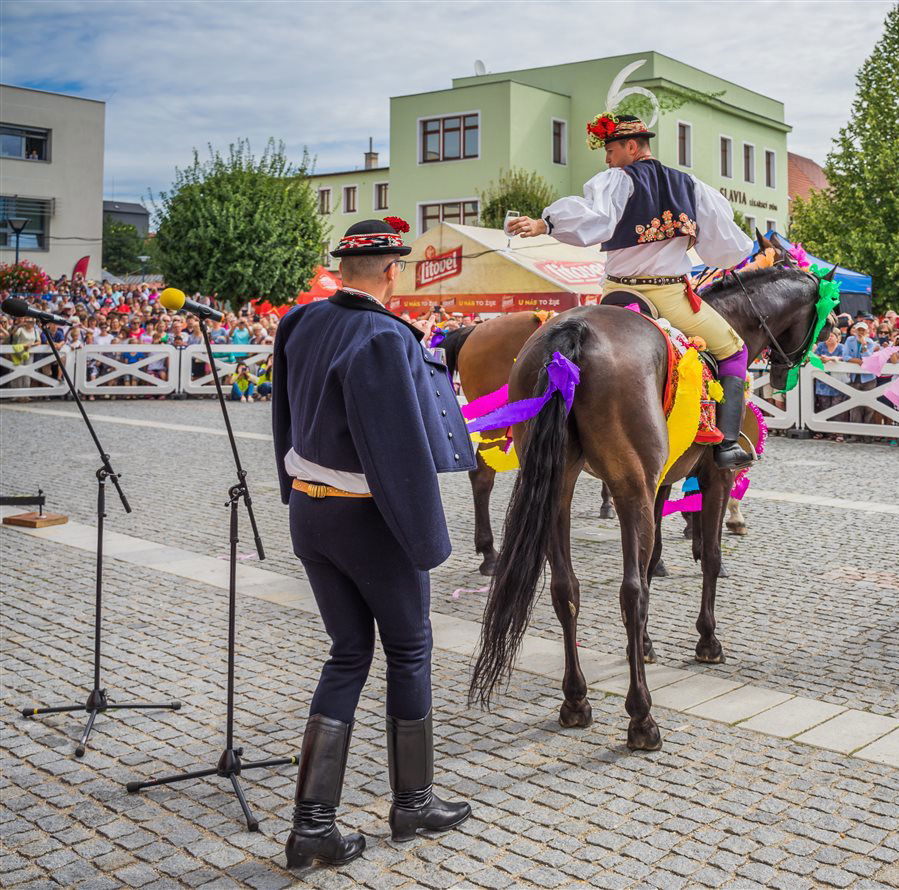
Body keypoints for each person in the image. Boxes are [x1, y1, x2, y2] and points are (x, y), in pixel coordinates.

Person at [271, 218, 475, 869]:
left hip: (310, 513)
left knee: (347, 654)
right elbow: (399, 453)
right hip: (366, 520)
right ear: (392, 271)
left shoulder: (299, 323)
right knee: (410, 649)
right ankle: (412, 803)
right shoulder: (386, 336)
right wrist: (427, 542)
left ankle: (312, 829)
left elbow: (284, 415)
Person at [507, 113, 754, 469]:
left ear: (631, 146)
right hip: (670, 297)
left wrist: (546, 223)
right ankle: (727, 445)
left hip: (615, 294)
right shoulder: (692, 187)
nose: (607, 160)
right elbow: (727, 249)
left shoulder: (615, 182)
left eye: (610, 151)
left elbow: (593, 219)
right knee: (733, 351)